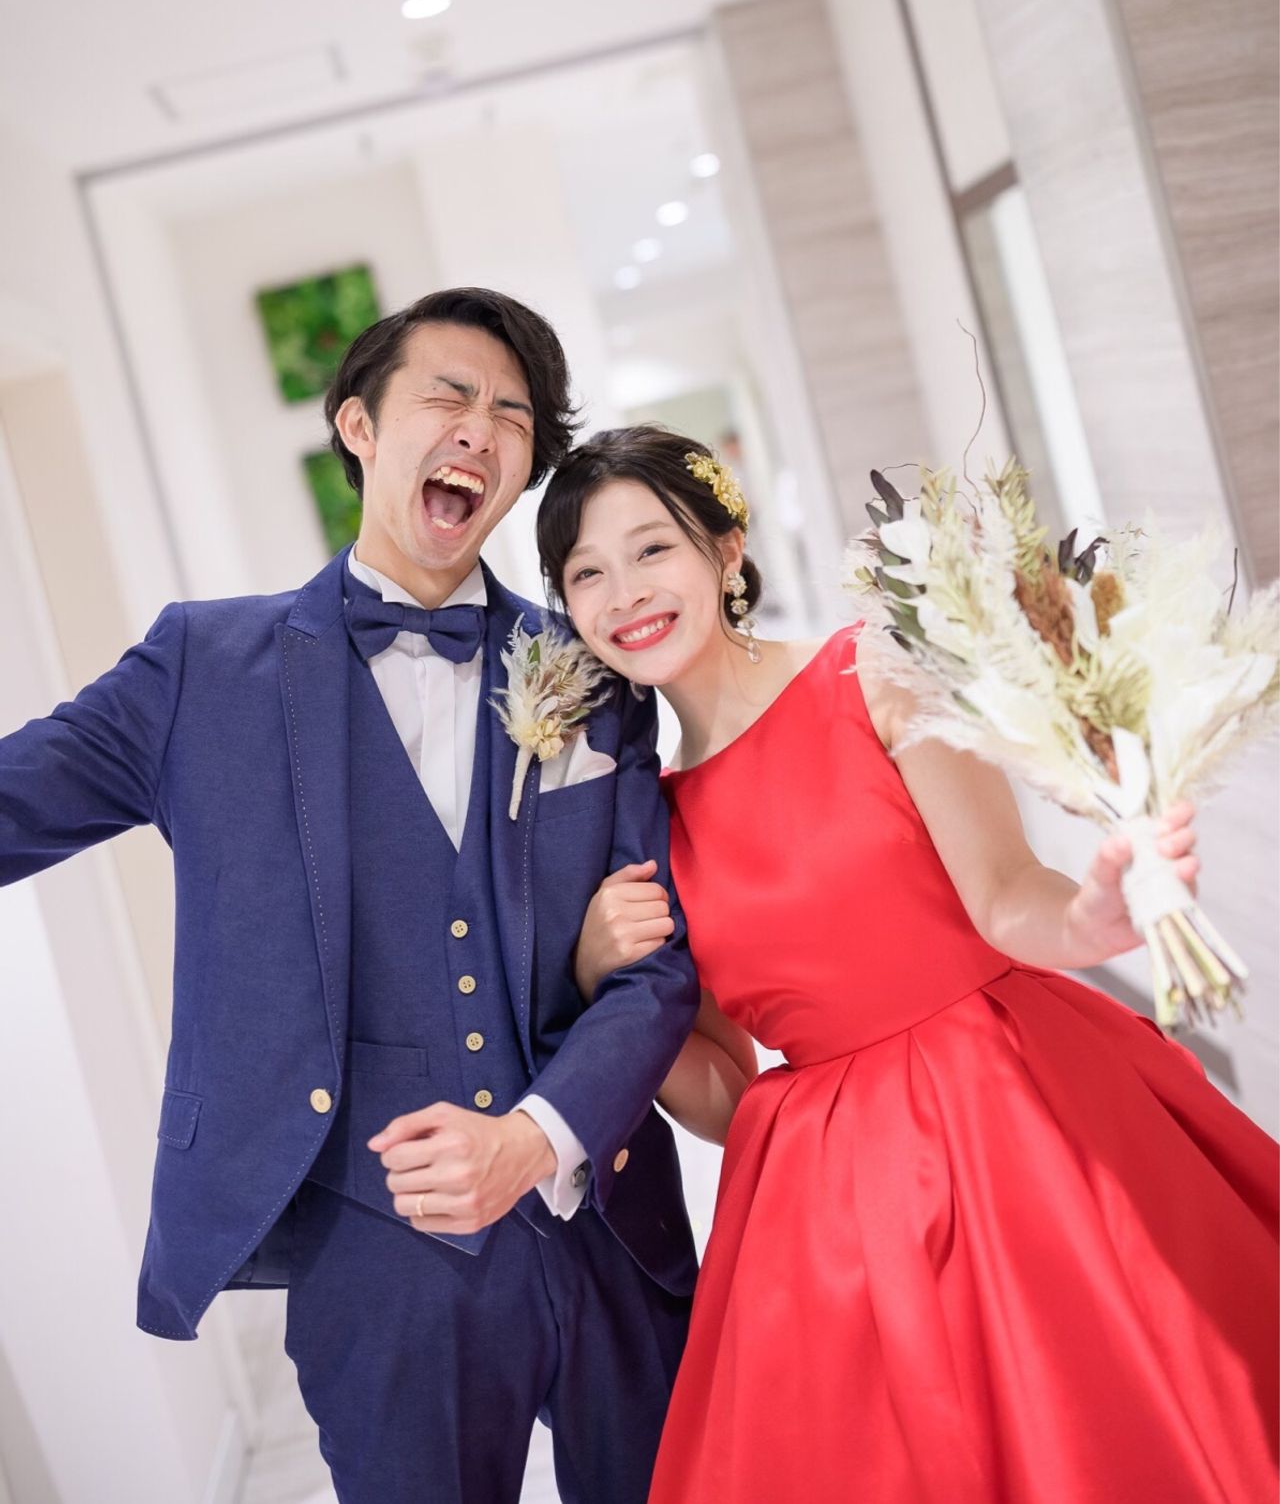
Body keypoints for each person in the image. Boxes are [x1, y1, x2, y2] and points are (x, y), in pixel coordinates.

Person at [0, 293, 700, 1504]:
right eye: (449, 394)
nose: (480, 428)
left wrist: (533, 1138)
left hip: (603, 1218)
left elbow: (657, 966)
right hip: (373, 1260)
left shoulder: (592, 672)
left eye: (511, 414)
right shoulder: (202, 670)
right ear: (359, 427)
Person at [536, 423, 1280, 1504]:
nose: (625, 593)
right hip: (834, 1195)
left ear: (726, 548)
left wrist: (1094, 916)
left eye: (652, 549)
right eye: (587, 573)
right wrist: (601, 989)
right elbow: (727, 1093)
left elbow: (1005, 895)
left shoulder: (871, 672)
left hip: (1016, 1111)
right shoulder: (643, 816)